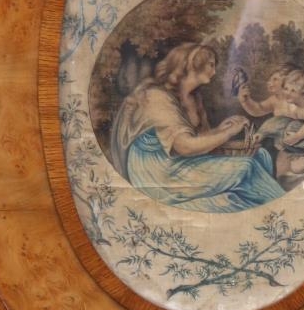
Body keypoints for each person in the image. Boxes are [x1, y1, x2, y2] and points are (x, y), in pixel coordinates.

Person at [109, 42, 283, 211]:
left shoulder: (194, 97)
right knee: (246, 167)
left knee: (261, 155)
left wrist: (220, 130)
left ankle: (265, 210)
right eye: (211, 65)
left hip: (181, 161)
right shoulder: (156, 97)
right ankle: (281, 209)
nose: (214, 72)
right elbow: (185, 146)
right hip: (159, 172)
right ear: (193, 65)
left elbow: (200, 140)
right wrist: (229, 132)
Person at [237, 66, 304, 180]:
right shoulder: (285, 99)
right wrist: (245, 101)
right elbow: (259, 109)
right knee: (288, 157)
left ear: (303, 92)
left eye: (275, 79)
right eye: (286, 88)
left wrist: (296, 136)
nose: (287, 93)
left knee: (287, 125)